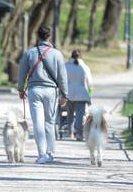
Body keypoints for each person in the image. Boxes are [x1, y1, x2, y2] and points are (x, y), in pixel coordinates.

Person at [17, 26, 68, 164]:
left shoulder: (29, 53)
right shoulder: (57, 54)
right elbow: (63, 77)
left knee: (38, 123)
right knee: (50, 122)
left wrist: (21, 89)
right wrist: (64, 94)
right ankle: (51, 152)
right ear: (50, 37)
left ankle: (42, 154)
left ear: (38, 37)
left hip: (35, 90)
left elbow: (21, 73)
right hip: (51, 91)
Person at [65, 49, 93, 141]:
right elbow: (90, 82)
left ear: (71, 56)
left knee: (69, 114)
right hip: (82, 94)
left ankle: (70, 132)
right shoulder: (85, 67)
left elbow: (62, 80)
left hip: (68, 94)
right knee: (80, 115)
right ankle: (79, 133)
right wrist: (90, 93)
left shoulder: (65, 66)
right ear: (80, 56)